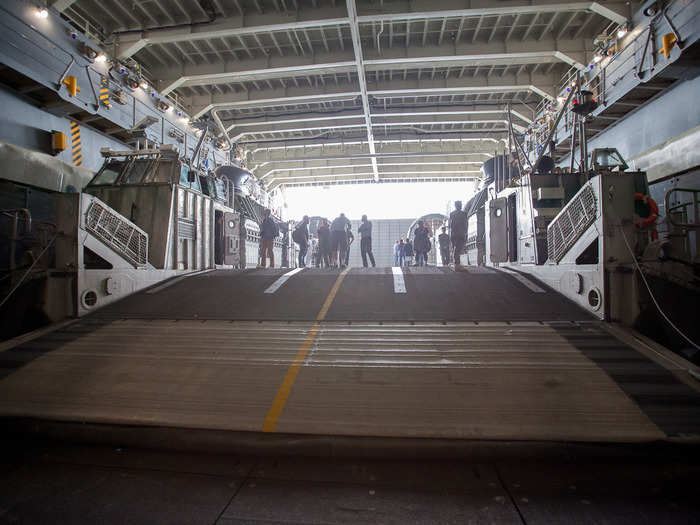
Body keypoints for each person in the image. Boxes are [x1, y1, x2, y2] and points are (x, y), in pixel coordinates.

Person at [449, 201, 468, 266]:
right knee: (458, 248)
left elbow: (450, 225)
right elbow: (466, 224)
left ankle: (457, 261)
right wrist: (465, 232)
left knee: (456, 248)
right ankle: (457, 261)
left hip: (455, 234)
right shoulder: (464, 214)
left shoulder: (452, 214)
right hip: (461, 234)